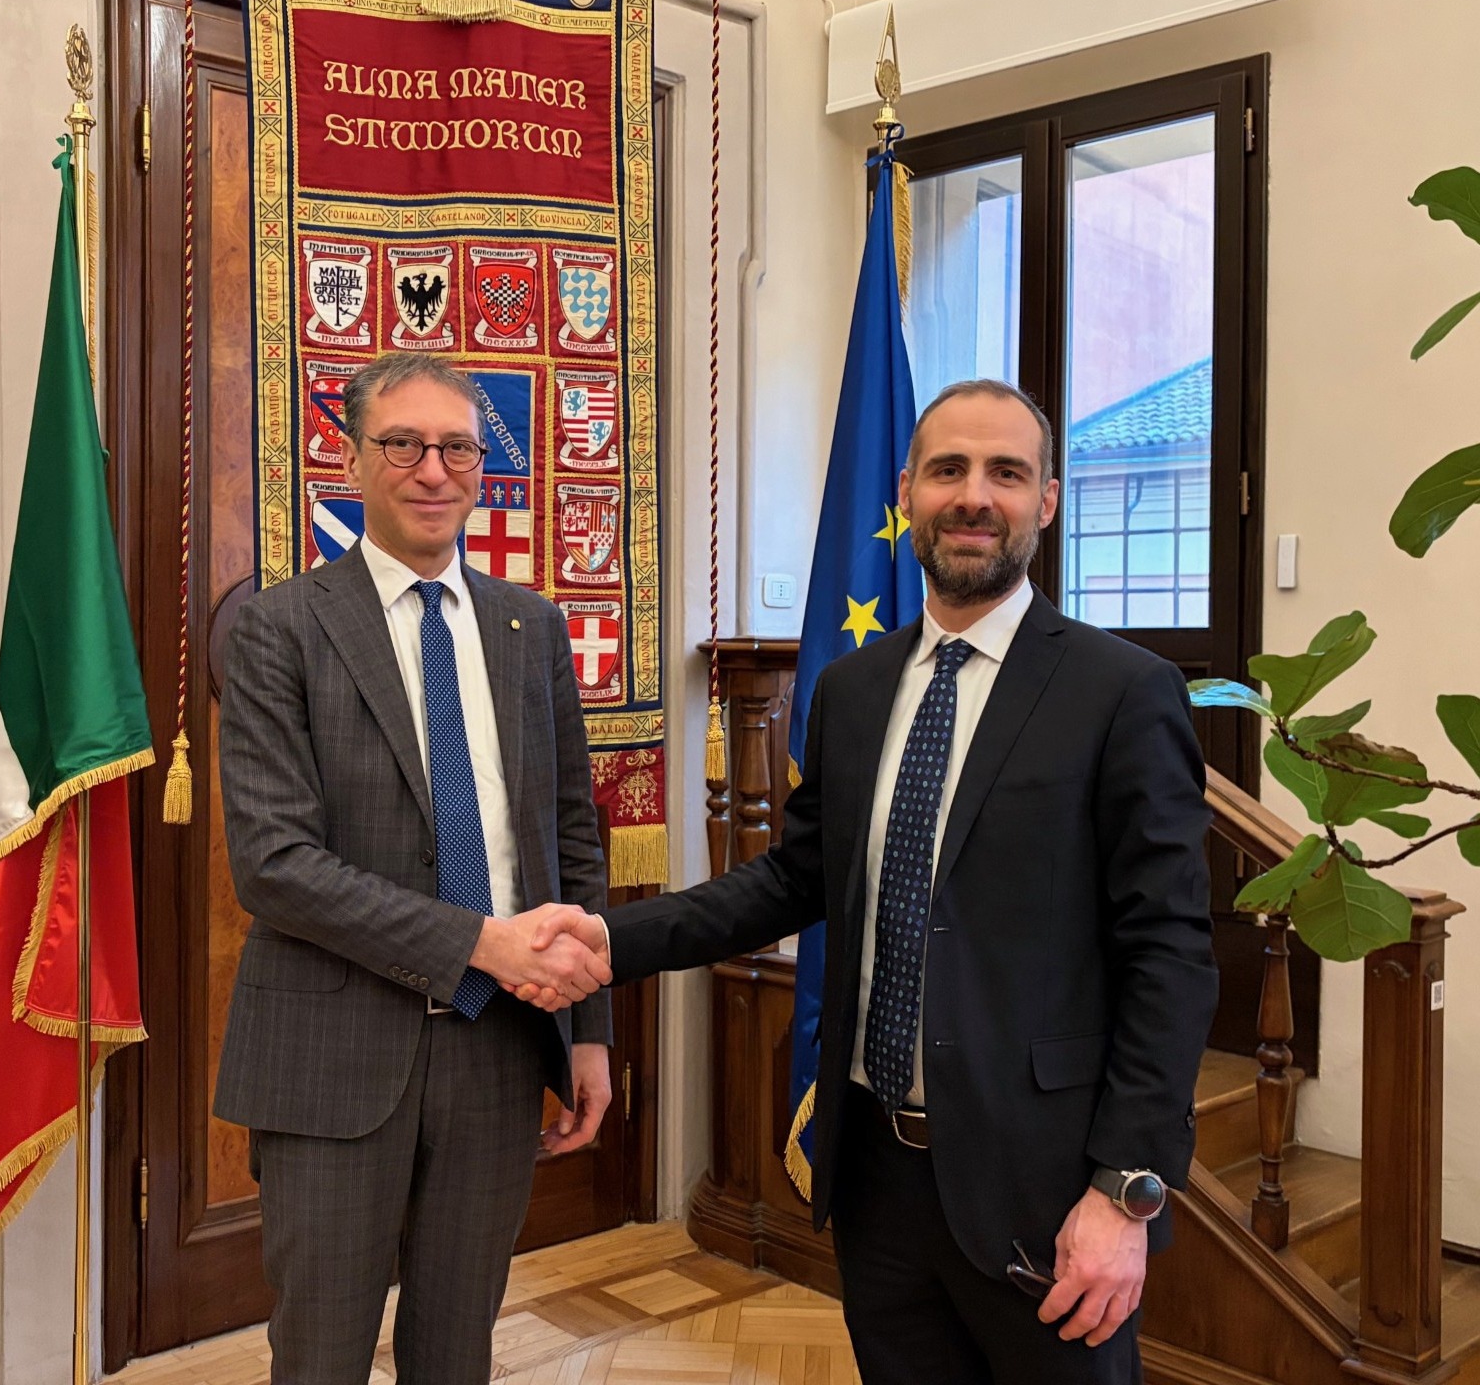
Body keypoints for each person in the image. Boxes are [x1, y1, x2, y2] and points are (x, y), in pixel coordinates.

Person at [526, 380, 1218, 1384]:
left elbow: (1170, 955)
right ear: (907, 492)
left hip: (1044, 1184)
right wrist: (607, 943)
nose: (972, 495)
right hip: (875, 1178)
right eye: (947, 470)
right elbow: (791, 880)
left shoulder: (1120, 692)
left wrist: (1122, 1192)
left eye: (1005, 473)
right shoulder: (852, 691)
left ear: (1047, 501)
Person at [214, 352, 613, 1385]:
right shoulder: (277, 628)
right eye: (403, 444)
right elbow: (274, 865)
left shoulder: (532, 627)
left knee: (456, 1351)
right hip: (331, 1056)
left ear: (484, 466)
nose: (432, 470)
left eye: (457, 448)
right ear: (351, 460)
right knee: (321, 1357)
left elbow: (571, 838)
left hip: (496, 1052)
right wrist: (477, 941)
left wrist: (588, 1034)